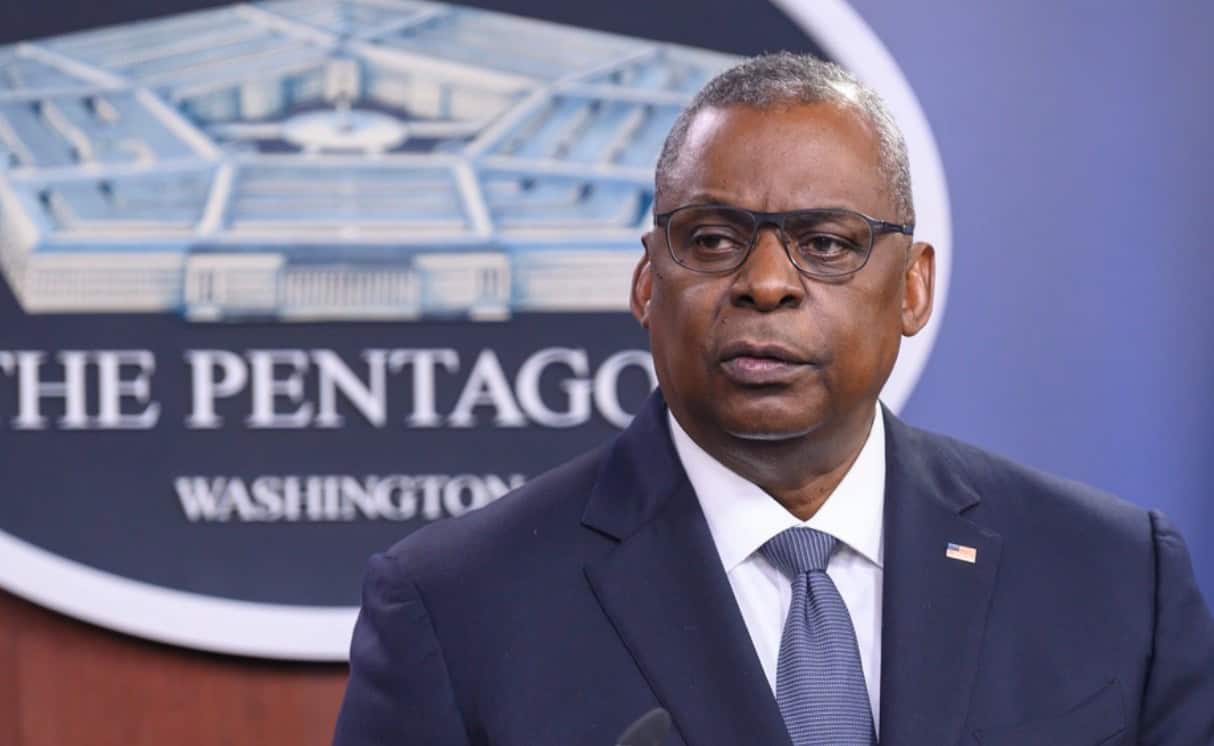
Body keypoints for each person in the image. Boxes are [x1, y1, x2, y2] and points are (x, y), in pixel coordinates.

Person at [333, 52, 1214, 746]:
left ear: (912, 289)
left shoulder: (1113, 574)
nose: (764, 284)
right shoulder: (457, 608)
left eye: (826, 243)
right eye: (711, 239)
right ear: (648, 286)